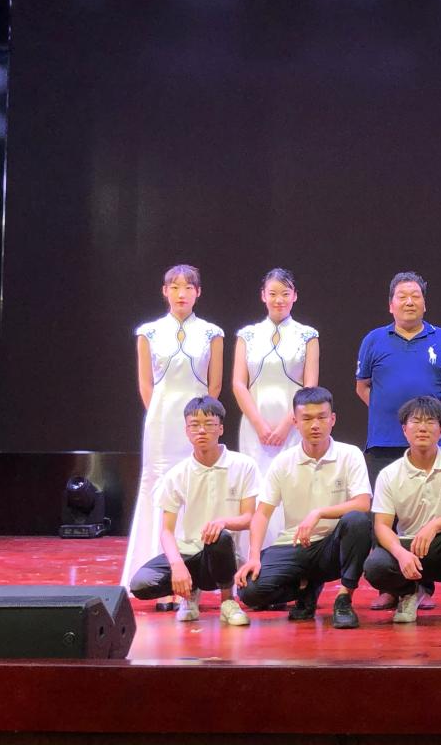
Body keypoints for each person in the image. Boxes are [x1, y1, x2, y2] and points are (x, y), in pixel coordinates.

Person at [122, 264, 224, 611]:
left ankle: (197, 577)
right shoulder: (148, 332)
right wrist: (161, 416)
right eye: (175, 287)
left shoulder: (211, 333)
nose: (182, 293)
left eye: (188, 287)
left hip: (198, 420)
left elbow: (214, 386)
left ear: (199, 292)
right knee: (159, 489)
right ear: (164, 291)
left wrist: (200, 422)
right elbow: (146, 384)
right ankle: (159, 579)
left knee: (195, 488)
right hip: (162, 422)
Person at [356, 271, 441, 610]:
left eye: (415, 296)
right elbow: (363, 386)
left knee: (426, 514)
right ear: (391, 304)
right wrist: (394, 417)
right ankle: (391, 586)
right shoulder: (374, 339)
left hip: (429, 447)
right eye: (402, 296)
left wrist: (424, 420)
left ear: (425, 303)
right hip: (384, 441)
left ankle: (423, 585)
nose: (409, 302)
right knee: (385, 516)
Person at [235, 386, 373, 629]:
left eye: (321, 417)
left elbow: (363, 503)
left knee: (358, 521)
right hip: (295, 545)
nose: (315, 425)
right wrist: (253, 557)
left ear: (333, 419)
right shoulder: (283, 462)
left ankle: (344, 599)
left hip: (333, 546)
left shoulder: (349, 454)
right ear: (295, 422)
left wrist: (318, 513)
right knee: (249, 591)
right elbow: (262, 514)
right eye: (307, 418)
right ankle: (306, 589)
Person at [363, 397, 441, 628]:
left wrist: (434, 526)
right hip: (410, 548)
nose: (422, 428)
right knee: (375, 566)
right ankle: (408, 594)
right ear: (404, 429)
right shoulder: (389, 474)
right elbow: (381, 525)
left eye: (430, 421)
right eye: (416, 421)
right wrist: (401, 554)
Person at [129, 397, 259, 626]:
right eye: (194, 425)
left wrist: (223, 522)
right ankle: (189, 595)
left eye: (209, 424)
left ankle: (228, 602)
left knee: (220, 537)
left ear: (221, 428)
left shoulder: (243, 465)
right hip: (189, 552)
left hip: (224, 554)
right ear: (186, 431)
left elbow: (249, 517)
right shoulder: (177, 474)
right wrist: (176, 565)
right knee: (142, 583)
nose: (201, 431)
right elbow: (166, 531)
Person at [233, 267, 319, 562]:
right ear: (263, 296)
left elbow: (310, 386)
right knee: (257, 487)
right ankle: (254, 558)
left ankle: (292, 558)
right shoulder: (247, 335)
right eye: (273, 294)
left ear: (295, 296)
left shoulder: (307, 335)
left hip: (294, 424)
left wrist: (287, 424)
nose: (279, 299)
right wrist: (259, 424)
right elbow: (238, 384)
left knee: (291, 486)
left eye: (285, 293)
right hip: (254, 424)